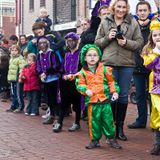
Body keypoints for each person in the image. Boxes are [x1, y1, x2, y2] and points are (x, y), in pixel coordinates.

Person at [95, 0, 144, 141]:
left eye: (124, 7)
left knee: (122, 96)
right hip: (109, 63)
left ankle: (119, 130)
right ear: (113, 7)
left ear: (127, 8)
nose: (121, 9)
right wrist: (107, 38)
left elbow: (140, 42)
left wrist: (126, 43)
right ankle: (109, 129)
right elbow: (97, 42)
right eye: (118, 6)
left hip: (126, 64)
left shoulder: (132, 22)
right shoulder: (105, 21)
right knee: (111, 96)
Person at [75, 44, 121, 149]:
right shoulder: (82, 72)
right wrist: (86, 90)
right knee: (94, 122)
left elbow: (112, 82)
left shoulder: (105, 70)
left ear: (99, 57)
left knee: (108, 121)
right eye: (89, 55)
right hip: (92, 102)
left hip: (105, 100)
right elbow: (80, 84)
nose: (92, 57)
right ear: (85, 57)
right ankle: (94, 140)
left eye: (95, 55)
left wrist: (114, 91)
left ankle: (111, 138)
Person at [128, 1, 152, 129]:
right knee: (140, 95)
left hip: (152, 67)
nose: (142, 13)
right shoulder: (133, 26)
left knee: (154, 95)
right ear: (137, 12)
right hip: (137, 66)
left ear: (149, 11)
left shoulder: (155, 26)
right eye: (140, 10)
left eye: (145, 10)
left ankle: (155, 121)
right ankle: (141, 121)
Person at [53, 32, 81, 132]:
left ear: (77, 41)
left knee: (77, 104)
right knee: (63, 103)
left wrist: (75, 75)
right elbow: (62, 68)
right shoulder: (67, 54)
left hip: (77, 82)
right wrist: (63, 75)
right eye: (68, 41)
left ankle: (77, 122)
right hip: (66, 83)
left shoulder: (81, 54)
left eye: (72, 41)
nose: (70, 43)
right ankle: (59, 122)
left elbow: (84, 69)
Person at [142, 20, 160, 156]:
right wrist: (156, 53)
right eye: (155, 35)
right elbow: (148, 66)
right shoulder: (149, 50)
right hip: (155, 87)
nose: (157, 37)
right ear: (151, 37)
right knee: (156, 113)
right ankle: (157, 143)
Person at [36, 36, 61, 124]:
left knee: (55, 99)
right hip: (45, 80)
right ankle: (52, 115)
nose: (42, 45)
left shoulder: (52, 53)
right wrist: (40, 74)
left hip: (53, 79)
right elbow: (38, 65)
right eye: (40, 43)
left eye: (44, 43)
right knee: (48, 99)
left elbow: (56, 65)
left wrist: (46, 72)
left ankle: (57, 117)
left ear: (47, 43)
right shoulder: (39, 54)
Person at [6, 45, 26, 112]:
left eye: (15, 50)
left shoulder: (20, 59)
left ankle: (20, 107)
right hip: (12, 79)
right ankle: (14, 106)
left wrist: (20, 77)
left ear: (18, 51)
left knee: (18, 93)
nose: (14, 52)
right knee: (13, 93)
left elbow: (22, 68)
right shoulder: (11, 58)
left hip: (18, 79)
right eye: (12, 50)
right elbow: (10, 70)